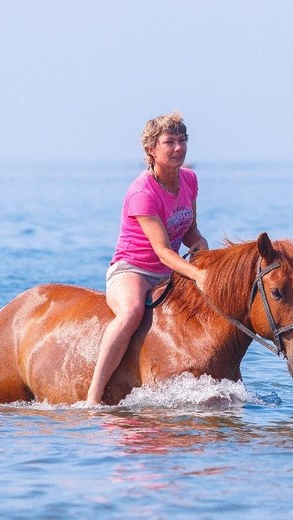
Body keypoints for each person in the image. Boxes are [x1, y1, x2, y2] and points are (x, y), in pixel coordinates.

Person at [87, 111, 209, 404]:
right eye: (169, 142)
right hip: (133, 270)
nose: (178, 148)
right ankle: (93, 394)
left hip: (169, 271)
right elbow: (163, 250)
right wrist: (198, 274)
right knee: (131, 312)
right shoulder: (143, 192)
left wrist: (203, 253)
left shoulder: (189, 180)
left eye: (182, 140)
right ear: (151, 149)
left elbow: (190, 231)